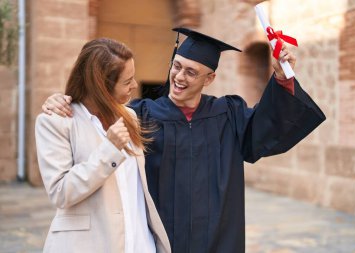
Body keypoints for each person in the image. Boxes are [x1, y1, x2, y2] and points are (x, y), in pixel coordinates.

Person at [42, 28, 326, 253]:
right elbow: (95, 108)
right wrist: (64, 100)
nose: (179, 77)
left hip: (218, 241)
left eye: (191, 72)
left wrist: (282, 80)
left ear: (210, 78)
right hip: (161, 240)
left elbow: (266, 131)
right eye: (177, 66)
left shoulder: (228, 113)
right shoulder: (140, 114)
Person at [35, 38, 171, 253]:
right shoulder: (55, 122)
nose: (135, 86)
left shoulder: (130, 117)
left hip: (140, 245)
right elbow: (61, 193)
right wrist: (110, 149)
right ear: (101, 86)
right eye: (127, 81)